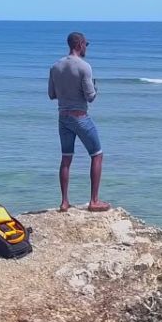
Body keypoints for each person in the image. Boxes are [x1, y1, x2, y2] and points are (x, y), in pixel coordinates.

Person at [48, 31, 110, 212]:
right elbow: (90, 97)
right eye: (86, 45)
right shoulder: (84, 67)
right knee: (97, 154)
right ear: (80, 44)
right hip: (80, 117)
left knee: (66, 158)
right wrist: (95, 88)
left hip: (63, 117)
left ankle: (64, 202)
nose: (86, 48)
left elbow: (52, 94)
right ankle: (94, 201)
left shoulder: (55, 67)